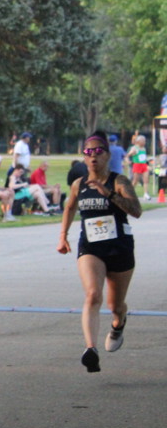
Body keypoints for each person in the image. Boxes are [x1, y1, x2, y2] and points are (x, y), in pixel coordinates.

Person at [57, 131, 142, 373]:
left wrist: (109, 194)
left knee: (116, 305)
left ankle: (118, 324)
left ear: (107, 155)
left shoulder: (119, 181)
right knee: (93, 294)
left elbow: (136, 210)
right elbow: (69, 207)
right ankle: (90, 349)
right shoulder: (79, 184)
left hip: (119, 247)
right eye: (88, 152)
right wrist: (63, 236)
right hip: (90, 247)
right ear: (84, 157)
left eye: (98, 151)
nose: (93, 156)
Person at [125, 135, 151, 200]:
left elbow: (144, 157)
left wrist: (148, 162)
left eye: (145, 141)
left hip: (144, 165)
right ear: (139, 141)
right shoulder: (134, 148)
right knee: (135, 180)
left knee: (146, 180)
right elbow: (127, 155)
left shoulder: (144, 148)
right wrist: (128, 161)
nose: (145, 142)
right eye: (143, 141)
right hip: (137, 165)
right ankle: (129, 193)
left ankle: (146, 194)